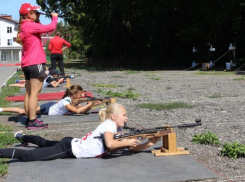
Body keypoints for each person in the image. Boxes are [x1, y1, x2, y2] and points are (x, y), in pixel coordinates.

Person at [0, 103, 160, 161]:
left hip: (71, 143)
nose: (126, 118)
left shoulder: (114, 129)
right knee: (29, 156)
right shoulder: (109, 126)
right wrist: (129, 141)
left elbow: (131, 148)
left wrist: (149, 143)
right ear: (113, 116)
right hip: (69, 149)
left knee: (44, 143)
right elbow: (111, 144)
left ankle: (22, 136)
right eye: (124, 115)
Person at [17, 3, 58, 129]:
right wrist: (54, 17)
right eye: (36, 12)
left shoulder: (25, 26)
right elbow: (51, 27)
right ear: (29, 14)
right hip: (36, 62)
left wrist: (38, 18)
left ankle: (29, 119)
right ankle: (33, 121)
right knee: (35, 93)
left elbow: (39, 27)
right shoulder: (30, 25)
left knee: (29, 93)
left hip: (27, 63)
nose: (38, 14)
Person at [0, 84, 101, 119]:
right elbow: (77, 111)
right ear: (74, 94)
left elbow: (82, 111)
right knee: (24, 112)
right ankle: (2, 109)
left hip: (52, 106)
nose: (81, 95)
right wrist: (90, 104)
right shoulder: (66, 102)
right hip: (48, 108)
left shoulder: (72, 101)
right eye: (79, 94)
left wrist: (90, 106)